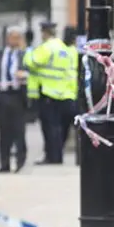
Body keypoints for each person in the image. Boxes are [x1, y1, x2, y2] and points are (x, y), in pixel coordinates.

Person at [24, 21, 78, 165]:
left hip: (48, 93)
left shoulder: (47, 47)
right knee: (61, 128)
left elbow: (30, 62)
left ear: (44, 32)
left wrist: (29, 50)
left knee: (50, 128)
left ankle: (53, 157)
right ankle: (57, 155)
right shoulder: (64, 48)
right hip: (65, 93)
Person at [0, 27, 29, 173]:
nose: (15, 40)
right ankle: (4, 164)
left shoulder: (25, 55)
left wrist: (25, 74)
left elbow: (35, 71)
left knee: (19, 131)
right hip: (2, 97)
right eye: (12, 37)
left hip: (18, 96)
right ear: (7, 38)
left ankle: (20, 161)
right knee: (3, 133)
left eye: (18, 37)